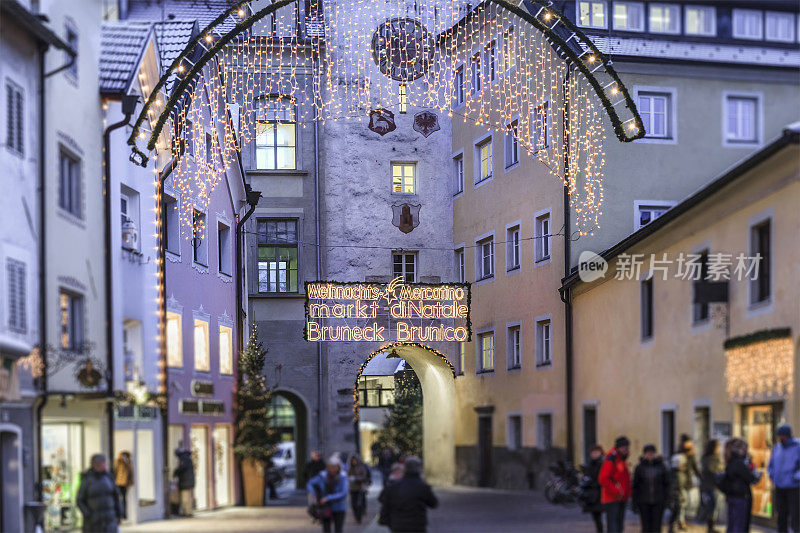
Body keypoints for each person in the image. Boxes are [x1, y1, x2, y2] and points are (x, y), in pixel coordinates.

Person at [378, 456, 438, 533]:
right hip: (417, 525)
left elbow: (385, 505)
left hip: (397, 525)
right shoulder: (423, 486)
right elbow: (433, 503)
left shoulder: (393, 486)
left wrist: (383, 519)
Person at [716, 438, 761, 533]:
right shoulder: (739, 462)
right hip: (740, 497)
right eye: (745, 449)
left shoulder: (730, 461)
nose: (747, 452)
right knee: (739, 524)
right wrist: (756, 475)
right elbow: (750, 478)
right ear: (740, 450)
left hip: (732, 496)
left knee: (732, 523)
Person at [76, 453, 122, 533]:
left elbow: (116, 497)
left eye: (104, 463)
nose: (104, 465)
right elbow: (79, 500)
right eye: (102, 463)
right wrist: (88, 514)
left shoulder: (109, 477)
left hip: (110, 520)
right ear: (95, 465)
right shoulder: (87, 479)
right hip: (93, 523)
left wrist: (119, 514)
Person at [768, 425, 800, 533]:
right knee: (781, 515)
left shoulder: (797, 447)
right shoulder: (777, 448)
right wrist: (772, 475)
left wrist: (795, 477)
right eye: (779, 436)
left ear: (788, 435)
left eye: (782, 436)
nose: (780, 438)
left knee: (795, 515)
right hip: (779, 487)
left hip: (794, 487)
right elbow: (771, 464)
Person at [632, 444, 670, 533]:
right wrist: (635, 502)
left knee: (657, 526)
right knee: (646, 526)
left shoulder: (661, 467)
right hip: (644, 501)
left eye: (651, 453)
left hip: (658, 501)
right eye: (648, 453)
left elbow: (666, 484)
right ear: (644, 454)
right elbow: (636, 486)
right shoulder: (639, 468)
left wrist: (666, 500)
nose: (650, 455)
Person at [307, 456, 349, 533]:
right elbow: (310, 483)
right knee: (326, 529)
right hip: (325, 507)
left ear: (338, 467)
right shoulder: (322, 475)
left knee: (338, 529)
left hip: (339, 507)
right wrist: (314, 494)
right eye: (330, 467)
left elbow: (343, 493)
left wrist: (328, 498)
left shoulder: (343, 477)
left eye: (334, 467)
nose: (332, 469)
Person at [599, 436, 632, 533]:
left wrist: (627, 493)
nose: (626, 449)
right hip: (612, 499)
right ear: (618, 448)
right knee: (613, 527)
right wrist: (616, 491)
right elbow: (603, 478)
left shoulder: (621, 459)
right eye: (624, 447)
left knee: (619, 527)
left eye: (627, 447)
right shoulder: (611, 459)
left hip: (621, 498)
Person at [672, 435, 701, 531]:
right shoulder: (679, 455)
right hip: (679, 482)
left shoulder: (691, 455)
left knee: (684, 502)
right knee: (681, 502)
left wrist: (700, 477)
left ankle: (680, 520)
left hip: (687, 481)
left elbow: (695, 468)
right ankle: (679, 521)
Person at [699, 440, 724, 533]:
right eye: (718, 446)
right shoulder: (712, 458)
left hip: (709, 486)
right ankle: (710, 528)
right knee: (712, 507)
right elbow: (714, 470)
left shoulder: (706, 457)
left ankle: (711, 527)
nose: (719, 448)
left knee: (712, 506)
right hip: (711, 486)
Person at [580, 444, 605, 532]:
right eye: (593, 453)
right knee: (596, 517)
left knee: (599, 517)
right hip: (592, 495)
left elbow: (602, 479)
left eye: (596, 452)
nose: (594, 454)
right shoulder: (590, 464)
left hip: (599, 494)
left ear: (600, 453)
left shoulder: (603, 464)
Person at [348, 454, 371, 524]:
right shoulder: (350, 468)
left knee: (359, 504)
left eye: (355, 460)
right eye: (353, 460)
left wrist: (355, 478)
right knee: (353, 504)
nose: (354, 461)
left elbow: (364, 476)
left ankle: (358, 518)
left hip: (360, 488)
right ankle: (356, 517)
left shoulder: (362, 467)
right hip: (352, 488)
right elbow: (348, 475)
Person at [173, 447, 196, 517]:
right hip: (188, 481)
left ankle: (187, 513)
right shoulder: (186, 457)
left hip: (185, 482)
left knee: (185, 498)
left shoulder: (183, 458)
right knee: (187, 497)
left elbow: (182, 468)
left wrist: (176, 472)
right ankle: (188, 512)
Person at [113, 451, 134, 520]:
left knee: (124, 499)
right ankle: (120, 514)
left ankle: (124, 514)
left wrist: (131, 481)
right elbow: (115, 471)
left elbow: (131, 472)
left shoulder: (129, 461)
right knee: (119, 499)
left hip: (125, 483)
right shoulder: (118, 461)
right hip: (118, 482)